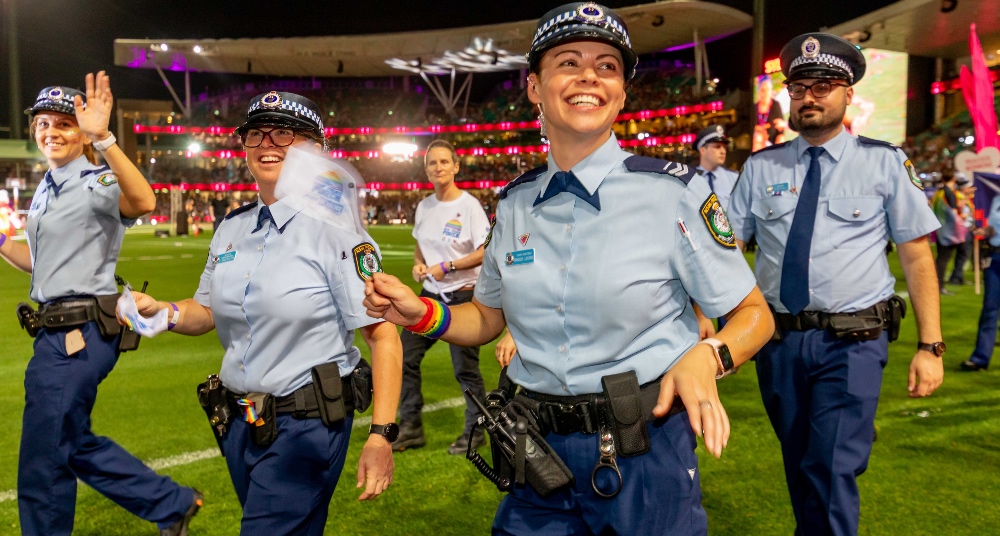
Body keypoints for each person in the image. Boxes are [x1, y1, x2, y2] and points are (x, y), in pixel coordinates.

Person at [363, 3, 774, 534]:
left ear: (622, 91)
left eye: (607, 66)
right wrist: (420, 313)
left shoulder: (676, 192)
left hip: (644, 450)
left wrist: (709, 355)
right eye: (568, 62)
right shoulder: (513, 203)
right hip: (534, 453)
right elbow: (487, 319)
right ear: (535, 86)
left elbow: (754, 314)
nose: (589, 76)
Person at [123, 91, 402, 535]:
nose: (267, 142)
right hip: (240, 420)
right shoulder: (232, 227)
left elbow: (383, 335)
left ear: (315, 150)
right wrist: (163, 311)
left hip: (306, 426)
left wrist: (381, 433)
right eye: (256, 133)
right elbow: (207, 310)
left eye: (284, 132)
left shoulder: (338, 232)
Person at [727, 33, 945, 536]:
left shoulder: (885, 162)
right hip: (777, 343)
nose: (810, 96)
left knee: (829, 467)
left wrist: (930, 345)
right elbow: (727, 254)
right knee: (801, 462)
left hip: (853, 343)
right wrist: (720, 331)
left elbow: (916, 256)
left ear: (848, 95)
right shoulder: (761, 168)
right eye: (799, 86)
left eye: (824, 85)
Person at [0, 75, 201, 536]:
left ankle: (170, 502)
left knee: (46, 453)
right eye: (43, 123)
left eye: (64, 124)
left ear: (81, 131)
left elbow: (144, 200)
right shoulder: (47, 186)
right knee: (57, 446)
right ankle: (170, 506)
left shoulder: (96, 178)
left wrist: (103, 138)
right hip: (55, 332)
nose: (50, 131)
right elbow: (40, 264)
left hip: (81, 330)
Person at [396, 139, 492, 454]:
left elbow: (484, 251)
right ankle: (410, 427)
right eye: (432, 163)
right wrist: (418, 264)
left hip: (463, 295)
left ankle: (476, 431)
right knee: (403, 356)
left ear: (456, 166)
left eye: (443, 162)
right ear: (426, 170)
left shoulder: (469, 206)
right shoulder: (424, 206)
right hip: (430, 295)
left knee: (464, 369)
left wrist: (448, 265)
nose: (438, 167)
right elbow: (420, 244)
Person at [962, 193, 1000, 371]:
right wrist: (983, 231)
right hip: (995, 257)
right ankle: (980, 357)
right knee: (989, 309)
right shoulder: (995, 199)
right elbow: (993, 228)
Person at [932, 169, 966, 295]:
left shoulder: (939, 192)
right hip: (949, 231)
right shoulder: (949, 193)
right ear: (953, 178)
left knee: (941, 258)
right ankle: (939, 286)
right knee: (943, 259)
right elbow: (953, 212)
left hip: (940, 229)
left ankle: (937, 284)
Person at [694, 124, 738, 212]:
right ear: (703, 150)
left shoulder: (734, 178)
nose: (723, 151)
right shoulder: (691, 179)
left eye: (724, 147)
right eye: (717, 147)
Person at [947, 176, 975, 285]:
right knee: (962, 254)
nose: (971, 189)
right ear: (964, 188)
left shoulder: (964, 197)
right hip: (961, 229)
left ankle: (958, 276)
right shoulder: (959, 197)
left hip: (965, 228)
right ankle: (955, 277)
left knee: (962, 255)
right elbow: (959, 211)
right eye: (969, 187)